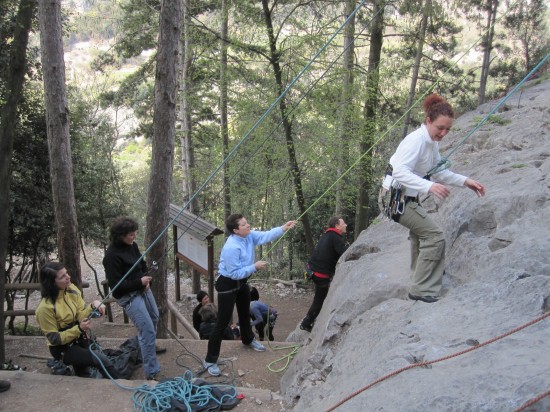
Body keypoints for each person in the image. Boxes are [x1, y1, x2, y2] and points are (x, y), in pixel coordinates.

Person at [388, 94, 485, 303]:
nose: (443, 133)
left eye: (447, 129)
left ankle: (419, 277)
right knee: (434, 236)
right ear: (428, 121)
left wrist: (465, 181)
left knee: (420, 235)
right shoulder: (416, 141)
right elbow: (399, 172)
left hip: (406, 196)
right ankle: (422, 288)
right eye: (440, 127)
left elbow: (439, 172)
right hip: (395, 198)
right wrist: (429, 186)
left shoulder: (431, 143)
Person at [203, 214, 297, 376]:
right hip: (228, 284)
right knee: (223, 322)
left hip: (242, 283)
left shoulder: (249, 236)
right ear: (236, 230)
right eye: (244, 224)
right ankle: (210, 360)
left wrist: (283, 228)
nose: (248, 225)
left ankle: (248, 339)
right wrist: (254, 267)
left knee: (245, 313)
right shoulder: (231, 247)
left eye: (247, 223)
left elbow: (266, 235)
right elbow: (233, 273)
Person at [35, 262, 121, 378]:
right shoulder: (45, 308)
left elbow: (80, 315)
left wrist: (93, 306)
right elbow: (55, 339)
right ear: (52, 283)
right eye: (62, 277)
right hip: (62, 348)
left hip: (78, 339)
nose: (68, 277)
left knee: (84, 372)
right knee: (101, 360)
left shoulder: (71, 290)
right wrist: (79, 329)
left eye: (66, 273)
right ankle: (122, 385)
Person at [102, 216, 163, 380]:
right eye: (131, 234)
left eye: (135, 233)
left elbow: (141, 264)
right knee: (147, 330)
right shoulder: (111, 257)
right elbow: (116, 288)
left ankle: (147, 347)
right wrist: (139, 282)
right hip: (129, 296)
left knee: (154, 317)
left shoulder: (132, 246)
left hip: (142, 288)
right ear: (121, 235)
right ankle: (151, 371)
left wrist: (146, 278)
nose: (134, 237)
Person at [300, 217, 348, 332]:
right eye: (343, 223)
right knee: (320, 300)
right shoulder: (335, 237)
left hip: (314, 271)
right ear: (336, 225)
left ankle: (307, 322)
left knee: (319, 298)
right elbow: (345, 253)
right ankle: (306, 323)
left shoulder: (327, 236)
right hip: (321, 274)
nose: (346, 225)